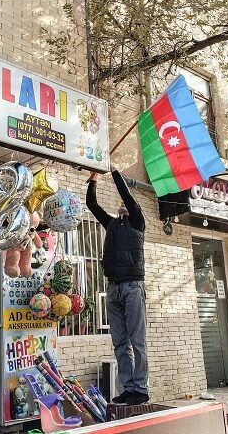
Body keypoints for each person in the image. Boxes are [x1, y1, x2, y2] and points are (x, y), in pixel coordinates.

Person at [87, 170, 149, 405]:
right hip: (113, 288)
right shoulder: (111, 224)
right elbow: (91, 205)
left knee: (137, 340)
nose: (123, 204)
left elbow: (126, 193)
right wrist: (93, 179)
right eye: (121, 203)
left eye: (126, 203)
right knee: (120, 342)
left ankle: (141, 389)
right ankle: (129, 388)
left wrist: (112, 170)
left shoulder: (137, 222)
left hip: (133, 287)